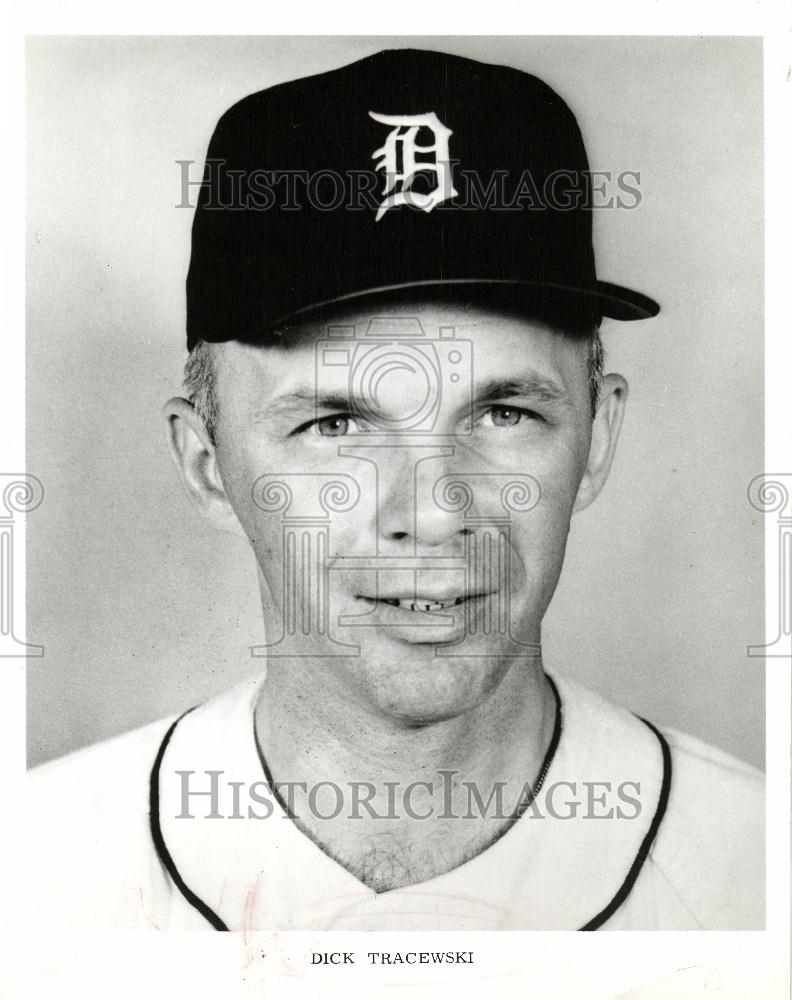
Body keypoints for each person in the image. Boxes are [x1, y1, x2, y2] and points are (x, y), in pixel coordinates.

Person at [28, 47, 763, 931]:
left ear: (597, 437)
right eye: (336, 426)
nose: (433, 510)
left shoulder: (758, 867)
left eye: (502, 414)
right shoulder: (33, 873)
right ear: (208, 465)